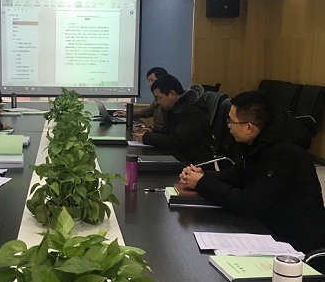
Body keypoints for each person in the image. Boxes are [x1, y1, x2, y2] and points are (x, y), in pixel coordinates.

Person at [180, 91, 325, 252]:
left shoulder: (286, 154)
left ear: (249, 127)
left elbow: (249, 203)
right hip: (266, 227)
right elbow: (235, 175)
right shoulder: (260, 141)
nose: (228, 126)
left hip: (293, 244)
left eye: (231, 121)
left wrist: (202, 183)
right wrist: (200, 175)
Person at [134, 74, 213, 164]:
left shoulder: (191, 111)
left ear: (172, 94)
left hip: (193, 164)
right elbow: (171, 132)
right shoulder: (176, 108)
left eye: (160, 98)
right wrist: (152, 131)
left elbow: (177, 141)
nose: (158, 102)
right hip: (181, 157)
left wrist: (147, 137)